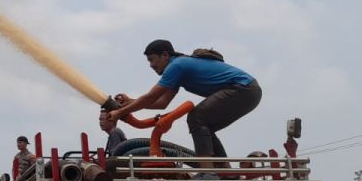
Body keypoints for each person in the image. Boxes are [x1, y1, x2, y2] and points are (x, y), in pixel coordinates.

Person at [110, 39, 262, 169]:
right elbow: (162, 103)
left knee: (197, 117)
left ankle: (207, 171)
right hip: (249, 91)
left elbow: (151, 97)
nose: (151, 65)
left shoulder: (176, 66)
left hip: (243, 88)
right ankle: (224, 171)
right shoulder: (178, 68)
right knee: (205, 128)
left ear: (165, 55)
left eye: (152, 59)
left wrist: (119, 113)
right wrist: (130, 102)